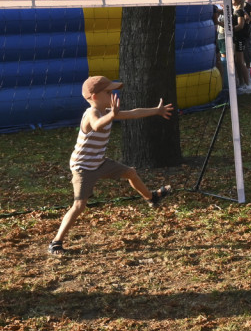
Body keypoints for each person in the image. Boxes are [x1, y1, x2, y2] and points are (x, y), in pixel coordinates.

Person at [47, 76, 174, 256]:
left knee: (130, 172)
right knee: (79, 205)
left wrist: (156, 110)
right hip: (83, 167)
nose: (113, 94)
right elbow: (97, 125)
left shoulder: (108, 111)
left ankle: (151, 198)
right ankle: (56, 243)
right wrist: (113, 115)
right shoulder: (92, 114)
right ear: (95, 96)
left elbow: (133, 113)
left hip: (99, 162)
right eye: (108, 92)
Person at [230, 0, 251, 89]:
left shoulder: (239, 11)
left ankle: (247, 84)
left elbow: (240, 25)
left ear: (238, 0)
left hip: (239, 38)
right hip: (236, 38)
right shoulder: (235, 10)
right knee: (237, 62)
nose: (231, 0)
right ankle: (242, 82)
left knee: (240, 62)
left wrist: (231, 29)